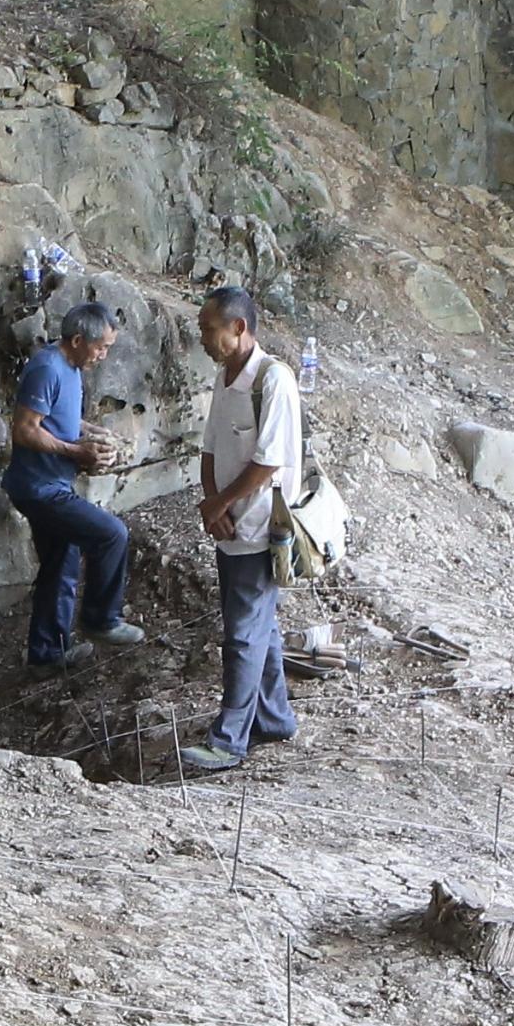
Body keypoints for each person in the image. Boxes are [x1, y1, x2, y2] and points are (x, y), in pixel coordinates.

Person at [178, 285, 298, 775]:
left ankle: (229, 741)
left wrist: (221, 503)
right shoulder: (225, 378)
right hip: (227, 523)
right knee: (258, 628)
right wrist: (212, 505)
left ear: (238, 328)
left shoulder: (273, 381)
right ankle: (275, 718)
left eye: (209, 330)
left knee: (243, 635)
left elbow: (269, 462)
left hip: (257, 526)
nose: (203, 338)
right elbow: (209, 448)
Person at [5, 302, 149, 667]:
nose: (103, 355)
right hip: (39, 488)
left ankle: (46, 657)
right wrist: (76, 452)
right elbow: (24, 430)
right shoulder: (47, 368)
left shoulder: (70, 367)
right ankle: (100, 620)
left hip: (53, 484)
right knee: (111, 535)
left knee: (61, 562)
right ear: (77, 339)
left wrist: (92, 431)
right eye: (101, 347)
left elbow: (58, 417)